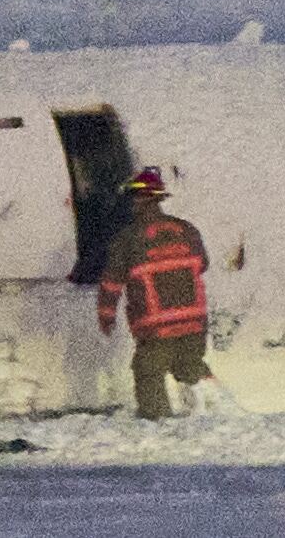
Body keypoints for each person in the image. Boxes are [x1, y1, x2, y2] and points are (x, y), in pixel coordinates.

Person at [97, 166, 215, 420]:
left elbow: (111, 284)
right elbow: (203, 264)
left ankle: (158, 424)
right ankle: (206, 415)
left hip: (157, 325)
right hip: (194, 320)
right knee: (190, 368)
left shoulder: (128, 238)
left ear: (140, 200)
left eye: (133, 199)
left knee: (148, 373)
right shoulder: (186, 229)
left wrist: (106, 316)